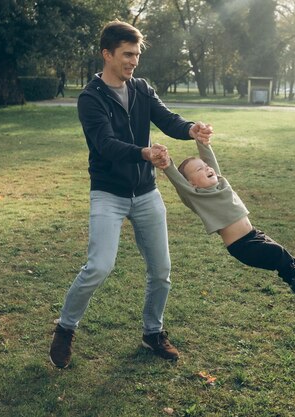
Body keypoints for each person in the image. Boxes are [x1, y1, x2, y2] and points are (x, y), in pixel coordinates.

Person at [49, 20, 213, 369]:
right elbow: (105, 145)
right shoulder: (90, 98)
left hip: (146, 191)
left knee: (161, 269)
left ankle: (153, 332)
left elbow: (167, 119)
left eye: (136, 54)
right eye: (126, 54)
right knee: (99, 266)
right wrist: (144, 153)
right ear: (106, 54)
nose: (133, 61)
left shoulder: (141, 88)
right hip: (108, 193)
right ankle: (65, 328)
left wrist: (191, 128)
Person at [156, 137, 295, 302]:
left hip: (255, 234)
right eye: (199, 170)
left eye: (206, 166)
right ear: (191, 184)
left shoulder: (220, 184)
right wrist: (167, 165)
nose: (207, 168)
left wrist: (201, 141)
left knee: (284, 257)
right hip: (242, 246)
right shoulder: (196, 197)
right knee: (277, 253)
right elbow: (180, 183)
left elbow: (210, 161)